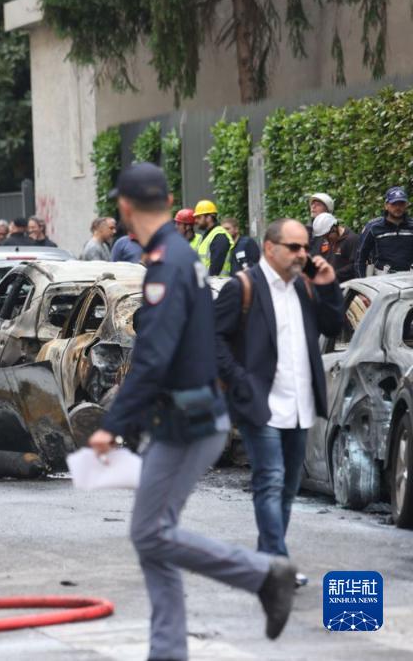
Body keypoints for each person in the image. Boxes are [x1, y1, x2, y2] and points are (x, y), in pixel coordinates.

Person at [89, 162, 297, 661]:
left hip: (186, 421)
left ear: (124, 208)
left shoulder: (168, 262)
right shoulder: (182, 255)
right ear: (166, 202)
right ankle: (168, 651)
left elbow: (154, 355)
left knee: (149, 532)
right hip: (190, 415)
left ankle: (263, 574)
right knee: (155, 540)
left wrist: (112, 426)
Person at [214, 218, 343, 588]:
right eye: (294, 247)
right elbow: (213, 339)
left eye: (305, 247)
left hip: (300, 403)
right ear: (270, 248)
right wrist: (241, 381)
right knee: (269, 481)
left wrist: (328, 285)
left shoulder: (304, 286)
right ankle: (278, 563)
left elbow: (333, 326)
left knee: (288, 486)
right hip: (261, 404)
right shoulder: (242, 287)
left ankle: (266, 559)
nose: (303, 254)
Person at [355, 186, 413, 275]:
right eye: (394, 204)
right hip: (382, 278)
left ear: (406, 205)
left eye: (401, 203)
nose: (398, 207)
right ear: (386, 205)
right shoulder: (373, 227)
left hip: (409, 277)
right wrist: (362, 281)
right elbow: (360, 258)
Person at [313, 213, 358, 283]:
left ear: (334, 228)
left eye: (327, 236)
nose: (326, 240)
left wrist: (334, 274)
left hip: (346, 285)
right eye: (324, 237)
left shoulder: (351, 240)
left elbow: (354, 266)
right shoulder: (332, 240)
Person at [194, 200, 234, 277]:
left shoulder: (219, 236)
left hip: (219, 282)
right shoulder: (209, 235)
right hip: (210, 282)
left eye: (199, 217)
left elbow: (215, 268)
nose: (196, 221)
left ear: (209, 217)